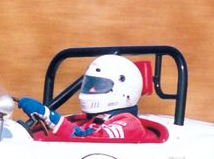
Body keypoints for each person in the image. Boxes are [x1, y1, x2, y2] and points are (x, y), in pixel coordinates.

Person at [18, 54, 147, 141]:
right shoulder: (87, 120)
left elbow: (87, 139)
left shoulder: (129, 124)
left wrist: (48, 115)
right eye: (89, 84)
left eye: (99, 85)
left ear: (124, 90)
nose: (91, 89)